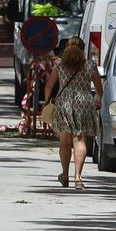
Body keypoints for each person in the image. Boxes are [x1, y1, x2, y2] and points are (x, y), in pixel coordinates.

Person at [42, 37, 103, 189]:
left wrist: (47, 101)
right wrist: (98, 99)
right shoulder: (90, 65)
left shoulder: (59, 64)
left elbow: (49, 86)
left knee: (64, 141)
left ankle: (65, 175)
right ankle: (78, 178)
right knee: (79, 139)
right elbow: (99, 88)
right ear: (83, 50)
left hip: (64, 103)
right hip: (84, 102)